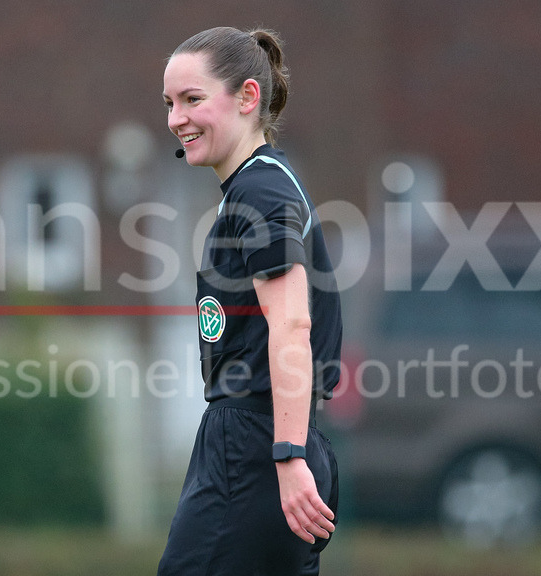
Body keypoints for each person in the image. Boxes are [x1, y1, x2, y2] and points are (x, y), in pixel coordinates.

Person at [158, 26, 343, 576]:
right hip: (259, 445)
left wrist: (287, 456)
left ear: (246, 97)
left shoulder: (260, 191)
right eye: (169, 103)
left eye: (192, 99)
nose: (176, 119)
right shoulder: (251, 188)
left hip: (255, 451)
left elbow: (291, 327)